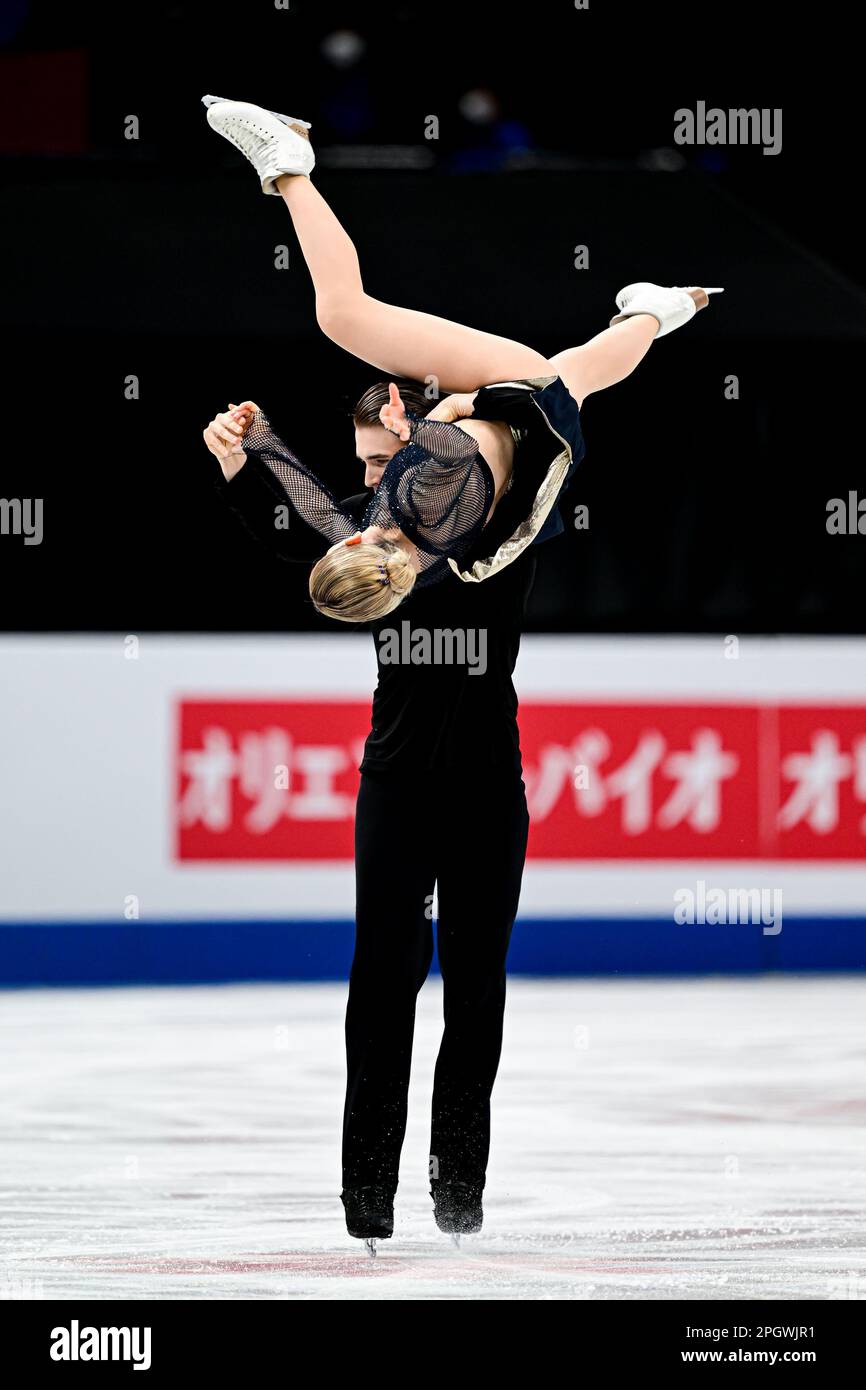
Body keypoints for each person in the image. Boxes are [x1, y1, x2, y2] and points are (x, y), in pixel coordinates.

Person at [201, 94, 723, 1246]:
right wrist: (284, 458)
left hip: (415, 778)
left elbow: (308, 529)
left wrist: (256, 462)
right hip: (517, 430)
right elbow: (324, 525)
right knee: (545, 361)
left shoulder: (378, 539)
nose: (356, 517)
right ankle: (422, 1191)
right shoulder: (431, 536)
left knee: (396, 990)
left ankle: (393, 1197)